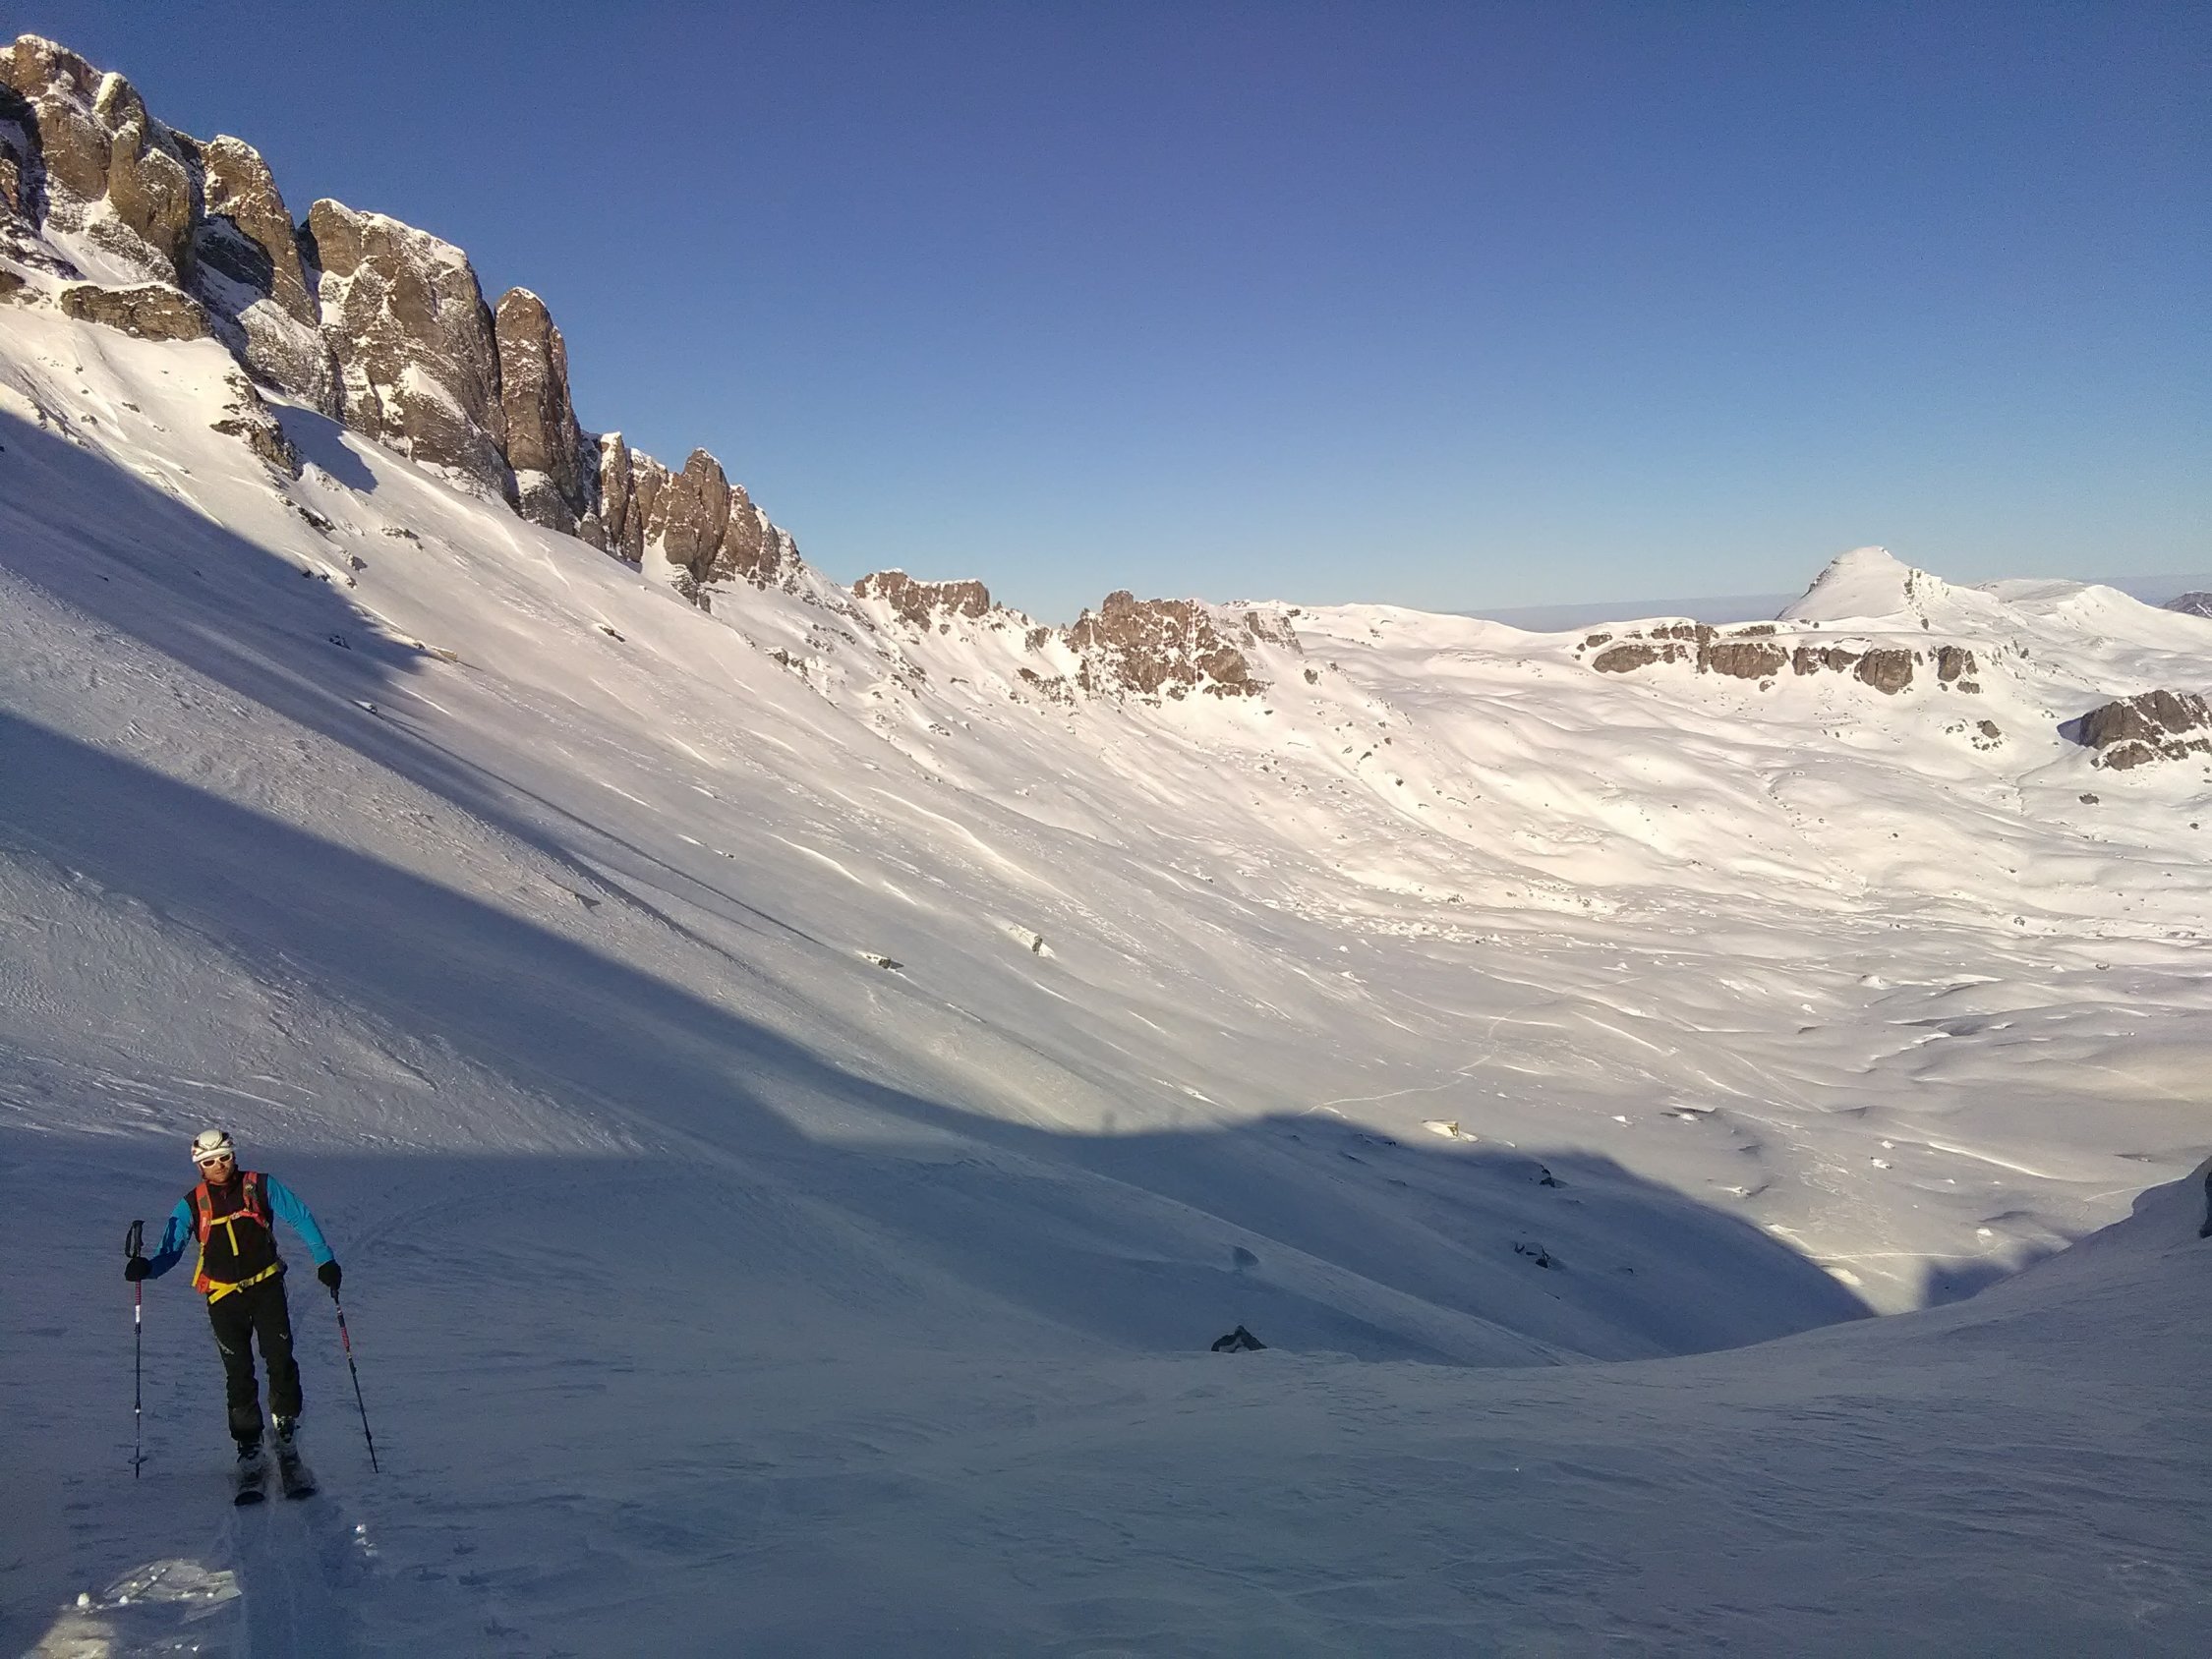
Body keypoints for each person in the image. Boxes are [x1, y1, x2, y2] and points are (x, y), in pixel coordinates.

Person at [125, 1129, 342, 1470]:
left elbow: (300, 1217)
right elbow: (170, 1250)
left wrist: (324, 1259)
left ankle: (285, 1427)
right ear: (199, 1166)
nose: (219, 1166)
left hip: (267, 1287)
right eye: (209, 1162)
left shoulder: (260, 1186)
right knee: (238, 1371)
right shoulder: (192, 1204)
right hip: (223, 1297)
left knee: (280, 1358)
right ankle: (249, 1444)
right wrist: (147, 1269)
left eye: (224, 1158)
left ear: (233, 1155)